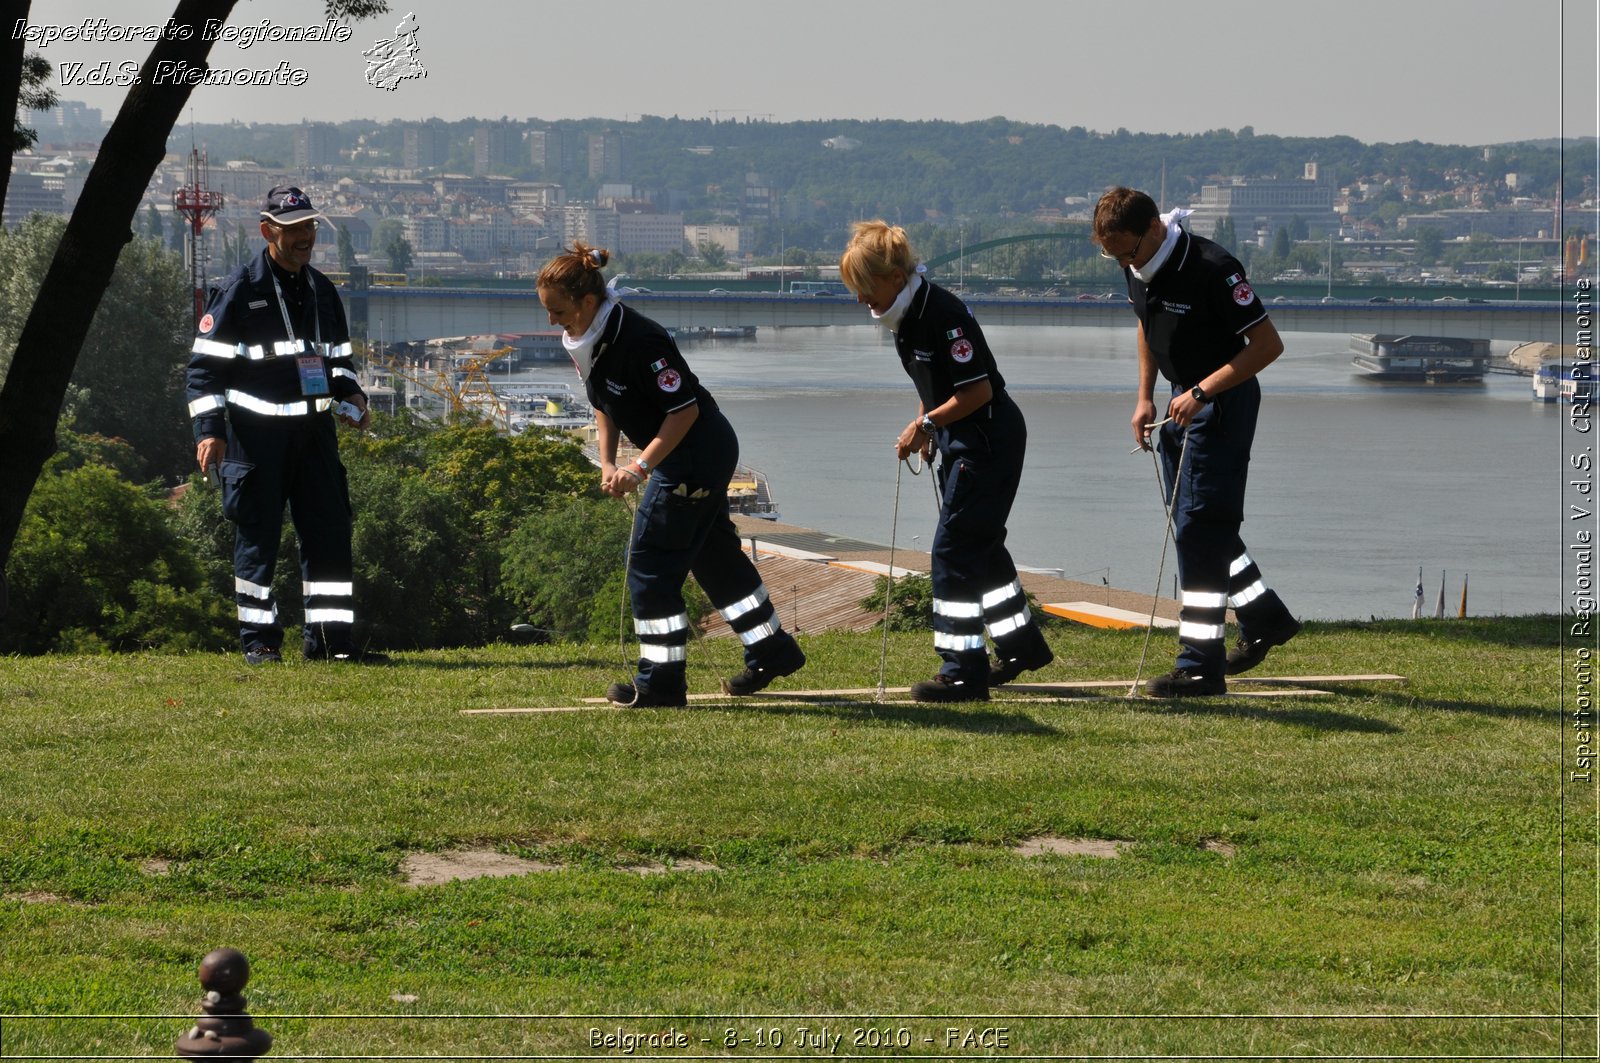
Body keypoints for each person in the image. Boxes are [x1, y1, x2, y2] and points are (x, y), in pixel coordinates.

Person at [537, 243, 805, 707]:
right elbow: (604, 405)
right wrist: (607, 461)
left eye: (558, 311)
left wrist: (640, 468)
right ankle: (772, 649)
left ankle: (660, 682)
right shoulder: (587, 339)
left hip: (696, 452)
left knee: (651, 565)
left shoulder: (641, 340)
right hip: (685, 455)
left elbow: (683, 413)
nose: (552, 322)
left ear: (586, 302)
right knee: (714, 557)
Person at [1092, 187, 1301, 697]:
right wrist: (1145, 397)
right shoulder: (1136, 263)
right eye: (1112, 255)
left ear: (1155, 230)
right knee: (1197, 525)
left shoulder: (1214, 268)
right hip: (1175, 404)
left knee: (1199, 530)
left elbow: (1268, 345)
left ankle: (1200, 663)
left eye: (1127, 252)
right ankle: (1264, 616)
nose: (1122, 262)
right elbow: (1147, 324)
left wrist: (1203, 390)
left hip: (1221, 405)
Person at [839, 221, 1053, 703]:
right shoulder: (905, 318)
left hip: (988, 439)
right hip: (961, 439)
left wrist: (928, 425)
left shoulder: (943, 314)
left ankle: (963, 671)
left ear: (894, 275)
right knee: (981, 547)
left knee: (953, 553)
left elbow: (976, 390)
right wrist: (926, 423)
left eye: (864, 288)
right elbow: (934, 389)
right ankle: (1021, 646)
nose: (861, 300)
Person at [185, 185, 379, 665]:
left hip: (315, 437)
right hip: (256, 440)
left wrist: (351, 393)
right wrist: (209, 429)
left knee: (330, 535)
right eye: (294, 229)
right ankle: (261, 644)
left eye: (310, 226)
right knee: (257, 541)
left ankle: (332, 645)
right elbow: (203, 371)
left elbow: (339, 361)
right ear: (268, 231)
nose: (304, 236)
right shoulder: (239, 291)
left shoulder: (323, 290)